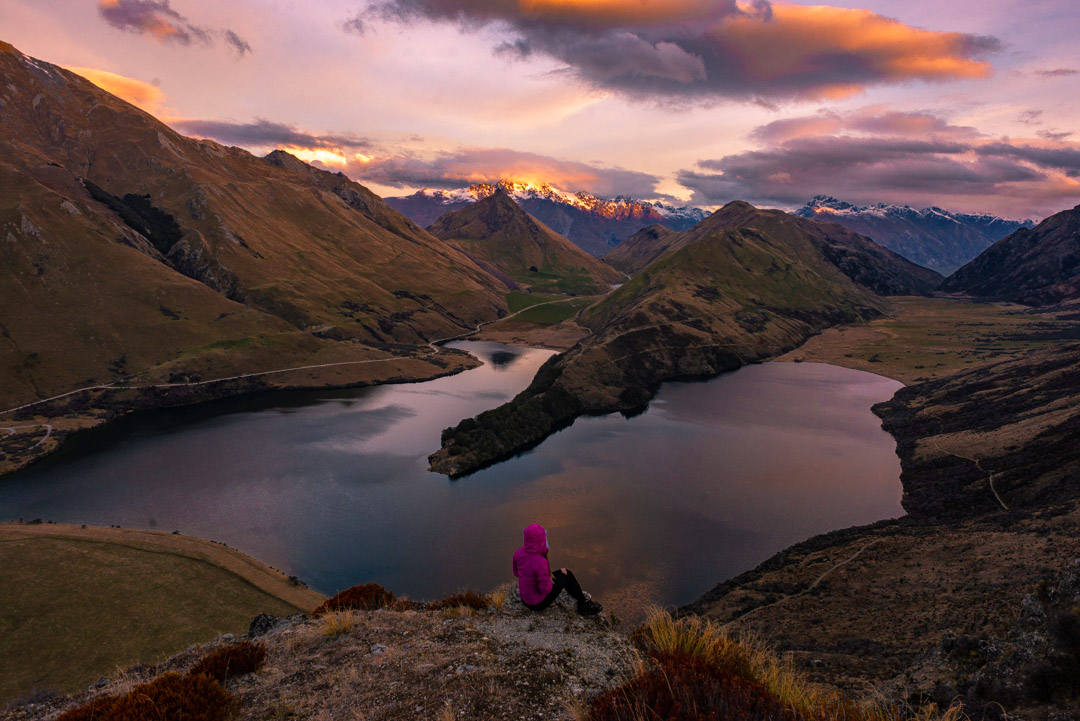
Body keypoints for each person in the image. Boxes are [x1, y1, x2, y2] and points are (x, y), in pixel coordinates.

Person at [512, 523, 603, 616]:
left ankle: (581, 599)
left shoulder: (518, 553)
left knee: (563, 573)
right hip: (537, 604)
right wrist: (555, 581)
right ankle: (584, 605)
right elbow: (545, 590)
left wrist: (555, 576)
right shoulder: (541, 562)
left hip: (525, 599)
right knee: (568, 574)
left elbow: (516, 573)